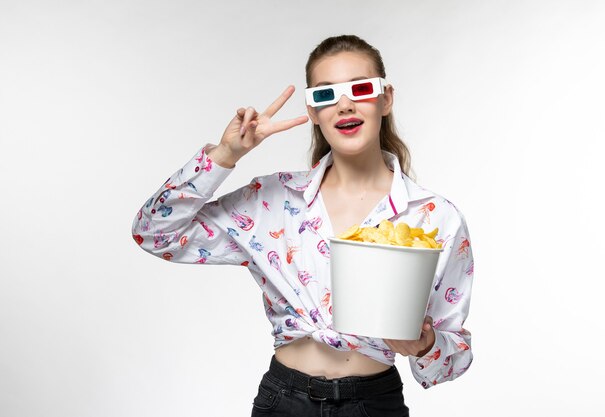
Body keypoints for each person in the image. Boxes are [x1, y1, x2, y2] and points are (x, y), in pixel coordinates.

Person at [132, 34, 474, 417]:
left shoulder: (434, 216)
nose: (344, 104)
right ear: (313, 112)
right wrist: (225, 156)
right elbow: (155, 233)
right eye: (326, 96)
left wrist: (425, 345)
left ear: (385, 99)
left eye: (360, 89)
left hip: (374, 404)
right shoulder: (271, 200)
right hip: (284, 401)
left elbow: (451, 360)